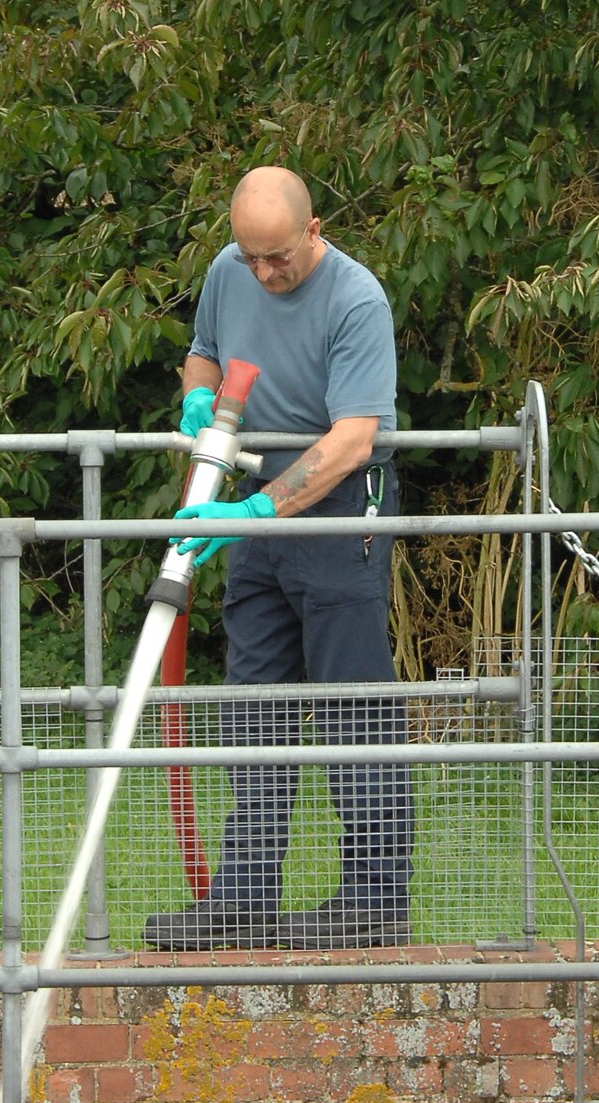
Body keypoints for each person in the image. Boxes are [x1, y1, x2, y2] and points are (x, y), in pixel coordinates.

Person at [144, 165, 413, 952]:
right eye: (250, 256)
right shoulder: (229, 271)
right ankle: (245, 897)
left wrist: (257, 510)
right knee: (252, 697)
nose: (263, 273)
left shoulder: (357, 299)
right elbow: (204, 354)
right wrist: (201, 402)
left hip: (336, 506)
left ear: (314, 230)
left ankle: (375, 898)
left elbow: (352, 439)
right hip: (255, 493)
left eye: (278, 259)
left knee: (350, 702)